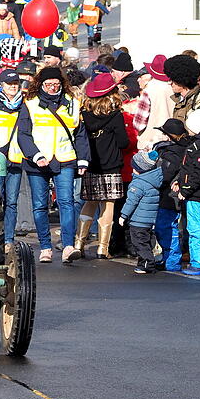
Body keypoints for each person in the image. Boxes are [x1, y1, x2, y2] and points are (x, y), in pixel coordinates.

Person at [16, 67, 90, 264]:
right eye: (48, 84)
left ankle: (67, 246)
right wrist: (36, 155)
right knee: (40, 205)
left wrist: (83, 159)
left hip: (65, 158)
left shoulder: (73, 103)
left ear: (61, 84)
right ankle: (46, 247)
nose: (52, 88)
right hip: (38, 161)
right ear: (41, 84)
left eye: (56, 84)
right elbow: (23, 135)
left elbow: (80, 133)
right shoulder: (30, 104)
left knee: (66, 202)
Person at [77, 73, 129, 259]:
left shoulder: (84, 114)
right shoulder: (115, 116)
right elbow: (123, 142)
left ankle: (79, 243)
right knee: (108, 205)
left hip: (91, 165)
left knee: (89, 203)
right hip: (111, 165)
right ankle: (102, 248)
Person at [175, 109, 200, 275]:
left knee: (197, 228)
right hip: (194, 193)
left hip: (198, 194)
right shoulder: (198, 145)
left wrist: (186, 190)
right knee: (193, 227)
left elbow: (198, 173)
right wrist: (180, 183)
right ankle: (197, 260)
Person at [0, 70, 25, 246]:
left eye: (15, 83)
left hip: (16, 158)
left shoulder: (25, 105)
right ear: (2, 85)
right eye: (9, 83)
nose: (13, 86)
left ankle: (8, 239)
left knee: (11, 202)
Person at [152, 118, 188, 271]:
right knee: (170, 226)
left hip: (169, 196)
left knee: (165, 226)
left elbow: (165, 175)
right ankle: (169, 258)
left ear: (170, 136)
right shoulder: (185, 148)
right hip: (174, 195)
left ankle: (171, 260)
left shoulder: (172, 153)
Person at [119, 151, 162, 274]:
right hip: (149, 220)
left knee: (139, 243)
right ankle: (144, 262)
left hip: (138, 220)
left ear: (139, 169)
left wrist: (123, 215)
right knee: (146, 242)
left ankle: (147, 264)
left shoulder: (138, 183)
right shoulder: (153, 182)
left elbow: (131, 202)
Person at [136, 55, 175, 149]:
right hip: (171, 138)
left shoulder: (148, 90)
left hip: (150, 142)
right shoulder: (174, 86)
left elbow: (139, 124)